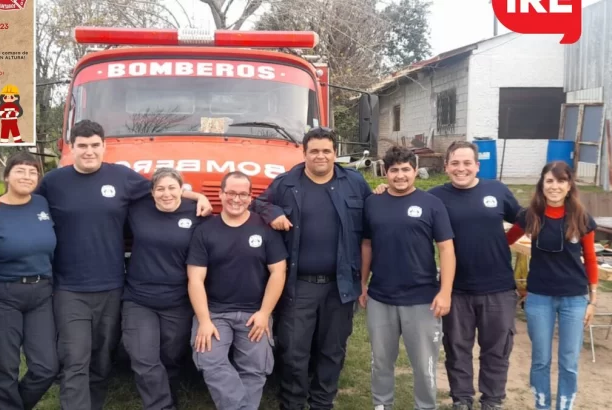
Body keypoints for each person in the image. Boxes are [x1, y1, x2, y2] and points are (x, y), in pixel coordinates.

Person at [0, 119, 213, 410]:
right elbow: (19, 202)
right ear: (71, 148)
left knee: (102, 360)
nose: (89, 151)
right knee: (75, 359)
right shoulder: (53, 182)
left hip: (113, 286)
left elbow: (162, 190)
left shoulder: (122, 178)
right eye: (82, 146)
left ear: (104, 147)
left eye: (94, 145)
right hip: (68, 288)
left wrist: (198, 194)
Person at [374, 141, 522, 410]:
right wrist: (383, 189)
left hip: (498, 287)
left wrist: (506, 240)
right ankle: (461, 400)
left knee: (496, 350)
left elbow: (523, 219)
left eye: (467, 163)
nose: (461, 168)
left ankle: (492, 401)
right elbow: (403, 198)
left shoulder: (497, 190)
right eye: (455, 163)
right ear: (446, 167)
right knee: (457, 349)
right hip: (456, 289)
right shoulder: (435, 197)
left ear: (477, 166)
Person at [250, 126, 372, 410]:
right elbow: (258, 204)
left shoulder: (354, 183)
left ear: (335, 153)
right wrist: (274, 212)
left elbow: (374, 218)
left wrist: (382, 189)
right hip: (298, 284)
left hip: (340, 285)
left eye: (326, 151)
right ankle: (292, 402)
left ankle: (322, 402)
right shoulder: (285, 183)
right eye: (314, 151)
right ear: (303, 153)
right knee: (293, 350)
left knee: (333, 349)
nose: (320, 156)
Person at [360, 146, 456, 410]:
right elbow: (366, 244)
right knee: (380, 361)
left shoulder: (432, 204)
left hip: (422, 298)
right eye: (394, 170)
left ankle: (425, 406)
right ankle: (382, 405)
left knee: (424, 365)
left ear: (415, 171)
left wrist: (445, 291)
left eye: (405, 170)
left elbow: (446, 249)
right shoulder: (373, 202)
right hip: (381, 297)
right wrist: (362, 283)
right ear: (385, 172)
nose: (400, 175)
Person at [186, 171, 288, 410]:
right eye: (231, 193)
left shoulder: (264, 228)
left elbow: (278, 272)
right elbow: (195, 278)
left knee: (256, 368)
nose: (236, 199)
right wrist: (204, 320)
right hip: (215, 314)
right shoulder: (205, 230)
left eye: (242, 194)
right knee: (209, 359)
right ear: (221, 194)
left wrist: (264, 314)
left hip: (254, 313)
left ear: (250, 197)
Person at [0, 151, 59, 410]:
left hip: (41, 294)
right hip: (1, 295)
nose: (27, 176)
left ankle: (7, 406)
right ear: (6, 176)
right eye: (20, 170)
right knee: (5, 366)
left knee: (46, 367)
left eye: (33, 172)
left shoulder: (42, 204)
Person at [506, 161, 598, 410]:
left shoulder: (581, 218)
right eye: (549, 181)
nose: (554, 186)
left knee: (568, 360)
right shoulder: (530, 216)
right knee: (540, 360)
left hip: (575, 299)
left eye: (560, 181)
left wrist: (592, 300)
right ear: (542, 184)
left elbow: (590, 259)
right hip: (539, 298)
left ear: (569, 186)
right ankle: (542, 405)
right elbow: (505, 241)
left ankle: (564, 406)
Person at [121, 167, 209, 410]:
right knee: (143, 357)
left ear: (182, 189)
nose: (166, 194)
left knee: (170, 358)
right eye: (160, 188)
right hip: (139, 299)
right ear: (152, 192)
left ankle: (168, 398)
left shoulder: (197, 213)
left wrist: (199, 197)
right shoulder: (138, 209)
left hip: (178, 300)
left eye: (172, 188)